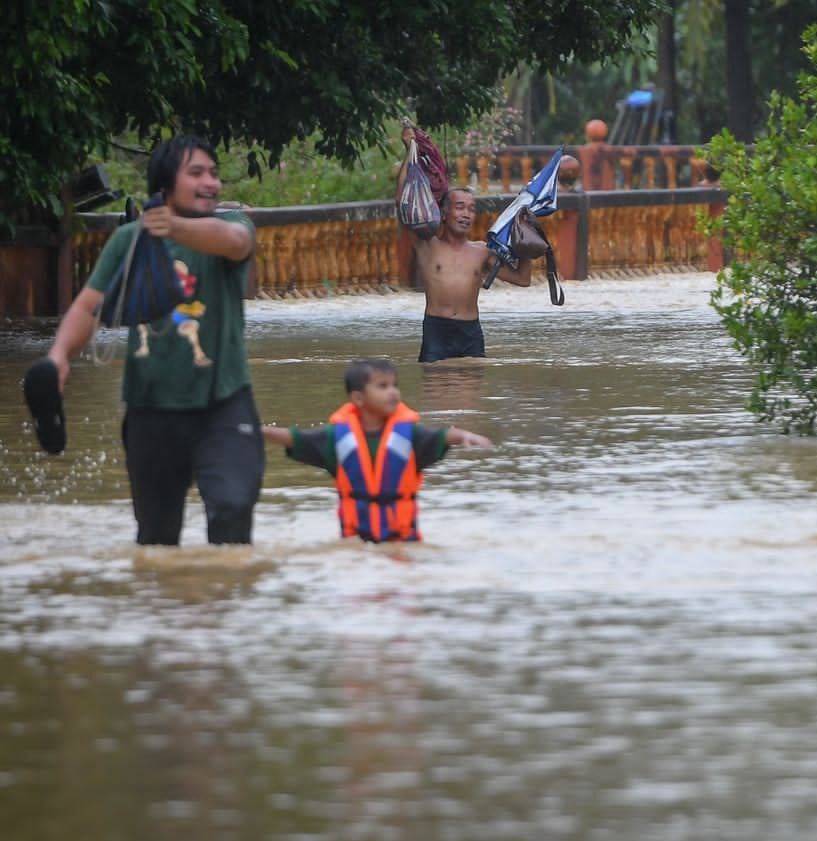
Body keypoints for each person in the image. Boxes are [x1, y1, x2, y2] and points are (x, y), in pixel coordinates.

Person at [46, 135, 263, 546]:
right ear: (165, 185)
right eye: (196, 173)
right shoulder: (129, 240)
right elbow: (87, 307)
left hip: (225, 406)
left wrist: (175, 226)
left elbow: (234, 244)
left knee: (233, 514)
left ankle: (225, 606)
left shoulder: (235, 225)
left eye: (214, 173)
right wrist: (58, 356)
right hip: (150, 412)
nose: (210, 182)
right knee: (157, 542)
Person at [262, 358, 493, 543]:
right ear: (358, 398)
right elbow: (295, 439)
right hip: (355, 546)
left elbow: (441, 436)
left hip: (402, 544)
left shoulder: (409, 435)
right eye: (382, 386)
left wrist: (465, 436)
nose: (393, 392)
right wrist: (259, 432)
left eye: (394, 385)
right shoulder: (337, 439)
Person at [397, 127, 533, 362]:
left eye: (472, 209)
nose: (466, 214)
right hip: (436, 331)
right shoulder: (427, 246)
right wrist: (410, 151)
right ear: (444, 212)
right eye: (460, 207)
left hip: (470, 332)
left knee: (471, 397)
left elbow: (523, 279)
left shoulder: (483, 251)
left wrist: (527, 246)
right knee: (434, 390)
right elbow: (402, 201)